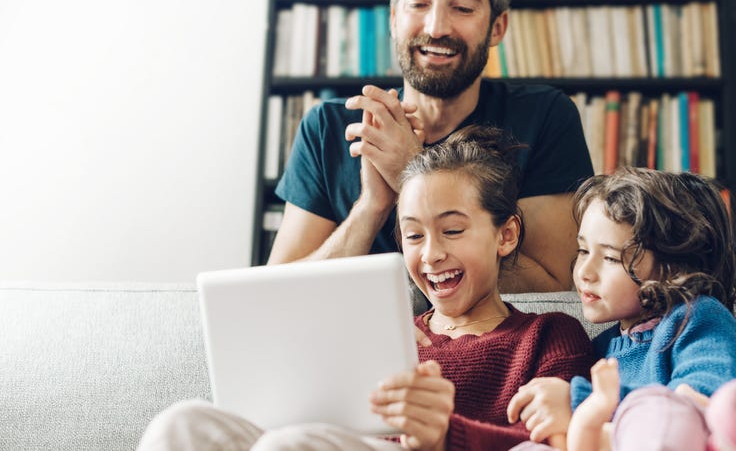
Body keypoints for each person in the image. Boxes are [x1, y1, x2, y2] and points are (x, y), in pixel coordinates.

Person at [137, 126, 592, 450]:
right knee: (180, 425)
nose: (430, 254)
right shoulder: (384, 334)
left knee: (292, 446)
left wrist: (443, 436)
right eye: (413, 235)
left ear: (506, 235)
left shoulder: (549, 335)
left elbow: (555, 444)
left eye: (452, 231)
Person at [267, 0, 593, 293]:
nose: (436, 27)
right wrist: (371, 207)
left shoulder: (544, 116)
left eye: (463, 8)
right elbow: (278, 293)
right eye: (419, 4)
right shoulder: (327, 127)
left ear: (497, 27)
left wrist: (414, 179)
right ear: (394, 19)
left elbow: (554, 284)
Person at [506, 167, 736, 451]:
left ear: (674, 265)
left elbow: (702, 402)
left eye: (609, 258)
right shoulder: (600, 350)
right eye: (582, 250)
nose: (584, 271)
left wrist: (582, 403)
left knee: (718, 412)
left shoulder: (698, 319)